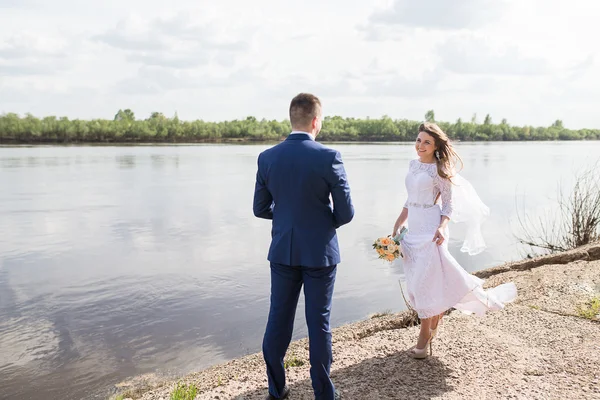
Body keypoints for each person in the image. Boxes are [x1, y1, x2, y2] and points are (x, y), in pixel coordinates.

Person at [253, 93, 354, 399]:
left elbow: (260, 208)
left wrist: (285, 217)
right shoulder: (329, 156)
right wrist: (321, 222)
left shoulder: (267, 157)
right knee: (318, 323)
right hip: (320, 253)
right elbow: (346, 213)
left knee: (278, 320)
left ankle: (277, 388)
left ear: (291, 119)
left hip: (283, 250)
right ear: (315, 121)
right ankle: (323, 394)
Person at [391, 122, 517, 359]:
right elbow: (410, 200)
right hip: (412, 229)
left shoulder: (440, 170)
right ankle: (434, 318)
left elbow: (448, 205)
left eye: (427, 142)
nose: (420, 145)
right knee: (416, 283)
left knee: (425, 284)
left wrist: (441, 227)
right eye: (418, 140)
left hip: (431, 229)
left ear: (436, 145)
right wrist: (399, 222)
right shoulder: (413, 165)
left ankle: (424, 334)